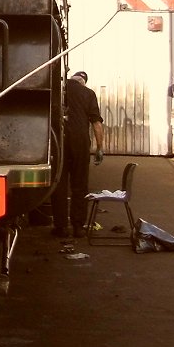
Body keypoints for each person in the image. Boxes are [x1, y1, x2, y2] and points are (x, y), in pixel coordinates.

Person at [53, 70, 105, 238]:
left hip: (60, 141)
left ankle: (61, 227)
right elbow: (96, 123)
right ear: (84, 81)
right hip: (80, 142)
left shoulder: (60, 89)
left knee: (59, 183)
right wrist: (99, 147)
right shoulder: (88, 93)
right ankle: (78, 227)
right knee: (80, 184)